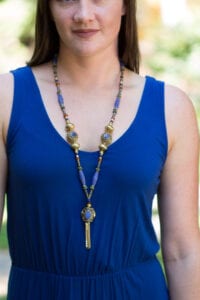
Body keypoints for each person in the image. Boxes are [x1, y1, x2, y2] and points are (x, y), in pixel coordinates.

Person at [0, 0, 200, 299]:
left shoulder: (172, 107)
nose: (83, 15)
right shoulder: (7, 98)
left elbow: (182, 251)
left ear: (124, 6)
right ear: (48, 8)